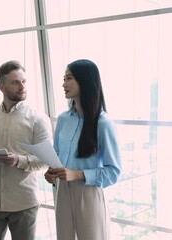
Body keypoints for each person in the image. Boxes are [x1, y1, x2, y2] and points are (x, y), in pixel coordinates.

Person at [0, 60, 52, 240]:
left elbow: (45, 160)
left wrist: (18, 160)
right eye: (15, 82)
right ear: (1, 87)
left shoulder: (38, 119)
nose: (21, 86)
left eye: (24, 81)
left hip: (23, 203)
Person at [44, 59, 121, 240]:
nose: (63, 84)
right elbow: (56, 156)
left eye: (69, 78)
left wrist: (78, 174)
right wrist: (52, 172)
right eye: (64, 78)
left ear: (84, 81)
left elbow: (113, 172)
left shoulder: (103, 123)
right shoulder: (63, 119)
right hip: (63, 191)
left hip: (89, 193)